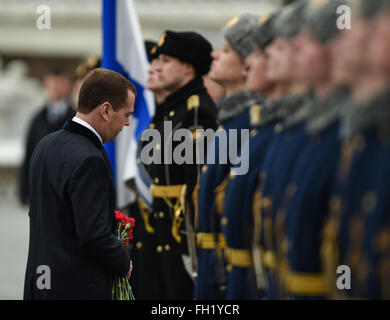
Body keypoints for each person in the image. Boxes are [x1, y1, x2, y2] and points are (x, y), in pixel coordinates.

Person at [24, 68, 134, 300]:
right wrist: (123, 262)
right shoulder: (89, 158)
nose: (126, 123)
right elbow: (93, 234)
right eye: (126, 114)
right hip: (74, 286)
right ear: (106, 110)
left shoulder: (46, 144)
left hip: (41, 283)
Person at [195, 13, 264, 300]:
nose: (214, 54)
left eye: (226, 50)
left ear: (246, 63)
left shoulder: (249, 124)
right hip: (215, 270)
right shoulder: (230, 122)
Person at [145, 30, 218, 299]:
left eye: (166, 60)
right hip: (164, 233)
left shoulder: (197, 111)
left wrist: (194, 245)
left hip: (183, 237)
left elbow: (198, 185)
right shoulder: (173, 108)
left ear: (188, 67)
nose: (157, 67)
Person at [19, 69, 75, 205]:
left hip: (68, 187)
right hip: (42, 187)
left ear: (68, 85)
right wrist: (24, 190)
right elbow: (29, 152)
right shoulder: (37, 118)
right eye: (51, 84)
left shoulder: (76, 117)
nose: (55, 87)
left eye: (59, 83)